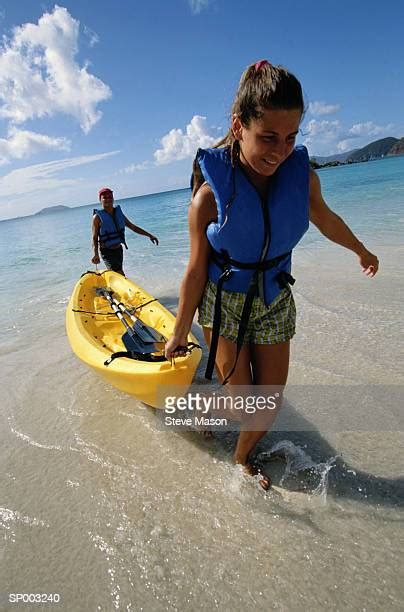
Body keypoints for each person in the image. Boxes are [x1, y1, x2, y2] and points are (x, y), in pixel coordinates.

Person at [164, 60, 379, 489]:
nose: (280, 151)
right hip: (225, 303)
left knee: (268, 402)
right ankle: (210, 413)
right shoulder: (208, 198)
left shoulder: (302, 180)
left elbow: (326, 218)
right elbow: (193, 272)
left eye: (291, 138)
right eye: (267, 137)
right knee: (242, 402)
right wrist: (180, 330)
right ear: (238, 125)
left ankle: (241, 459)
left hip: (274, 298)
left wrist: (359, 249)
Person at [91, 187, 159, 276]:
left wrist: (149, 235)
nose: (108, 199)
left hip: (119, 250)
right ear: (100, 200)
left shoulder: (118, 213)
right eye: (105, 197)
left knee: (118, 274)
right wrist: (96, 254)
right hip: (107, 251)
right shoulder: (97, 217)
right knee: (120, 275)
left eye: (110, 197)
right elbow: (94, 237)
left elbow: (133, 227)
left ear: (113, 198)